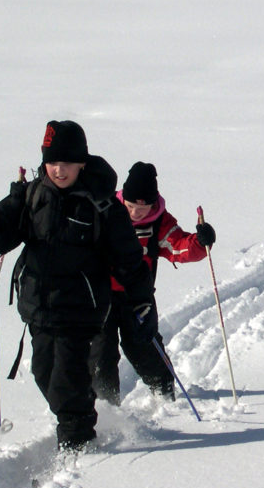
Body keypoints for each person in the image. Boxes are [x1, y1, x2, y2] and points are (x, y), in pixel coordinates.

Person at [0, 120, 155, 452]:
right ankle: (80, 419)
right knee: (44, 372)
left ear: (82, 162)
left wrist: (140, 299)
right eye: (52, 162)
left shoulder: (102, 204)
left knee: (67, 380)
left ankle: (78, 443)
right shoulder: (33, 194)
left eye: (66, 162)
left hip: (81, 307)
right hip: (39, 306)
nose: (59, 170)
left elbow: (127, 256)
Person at [88, 162, 215, 405]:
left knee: (144, 345)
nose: (136, 212)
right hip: (102, 295)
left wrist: (200, 242)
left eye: (142, 207)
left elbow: (178, 247)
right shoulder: (107, 212)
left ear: (153, 204)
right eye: (131, 206)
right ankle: (106, 404)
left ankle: (163, 388)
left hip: (138, 297)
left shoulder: (160, 222)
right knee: (100, 353)